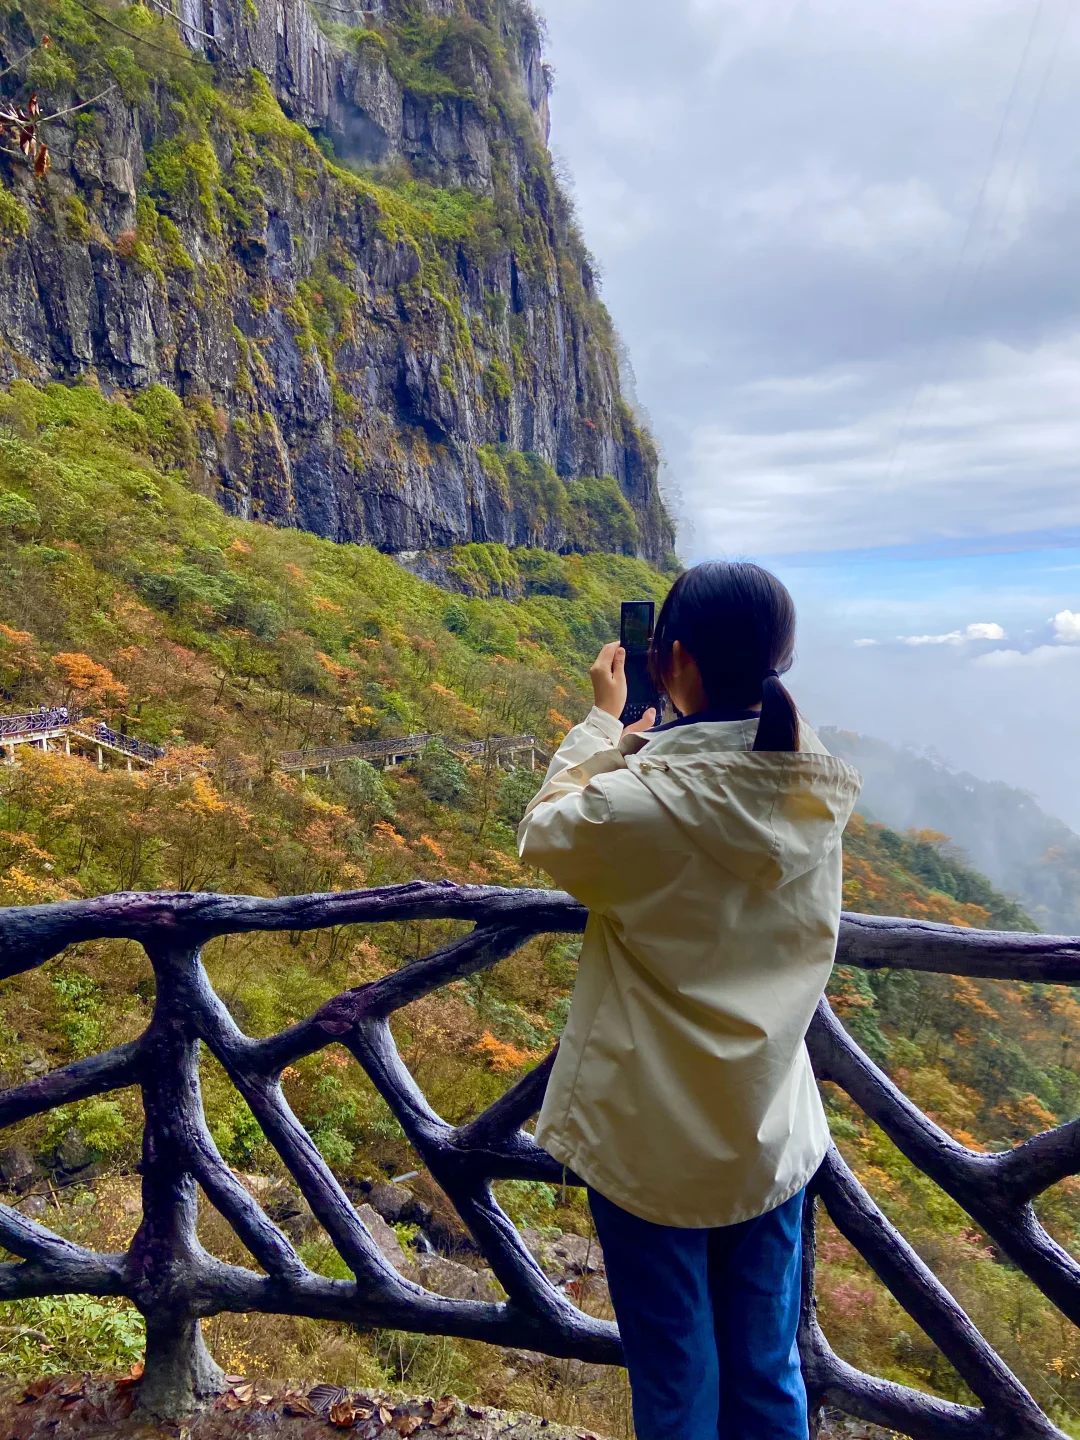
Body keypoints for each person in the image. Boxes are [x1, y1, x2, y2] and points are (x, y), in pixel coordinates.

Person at [517, 561, 861, 1440]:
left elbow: (545, 829)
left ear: (670, 661)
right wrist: (667, 722)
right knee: (768, 1371)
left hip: (651, 1140)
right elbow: (723, 752)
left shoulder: (636, 809)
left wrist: (607, 722)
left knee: (677, 1379)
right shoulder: (808, 777)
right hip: (770, 1130)